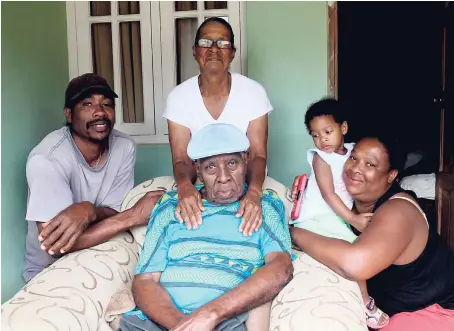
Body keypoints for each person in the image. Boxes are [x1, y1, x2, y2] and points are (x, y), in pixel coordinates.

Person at [121, 123, 293, 331]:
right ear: (198, 170)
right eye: (211, 167)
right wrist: (184, 326)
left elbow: (280, 268)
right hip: (160, 322)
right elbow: (145, 281)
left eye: (232, 163)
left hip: (226, 321)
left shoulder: (264, 204)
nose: (223, 177)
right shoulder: (170, 205)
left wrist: (210, 315)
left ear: (246, 161)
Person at [290, 135, 454, 331]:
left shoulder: (400, 211)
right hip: (397, 312)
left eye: (370, 164)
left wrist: (294, 233)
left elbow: (355, 264)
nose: (356, 168)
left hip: (437, 311)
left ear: (391, 176)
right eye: (353, 158)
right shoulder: (345, 205)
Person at [23, 73, 164, 281]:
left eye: (107, 104)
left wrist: (88, 211)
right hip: (49, 272)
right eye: (87, 104)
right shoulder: (47, 160)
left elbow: (114, 210)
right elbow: (57, 245)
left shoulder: (124, 147)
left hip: (96, 255)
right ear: (69, 114)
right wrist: (133, 216)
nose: (100, 112)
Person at [163, 17, 272, 236]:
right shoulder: (179, 97)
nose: (214, 49)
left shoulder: (253, 92)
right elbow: (181, 159)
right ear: (195, 51)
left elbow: (258, 155)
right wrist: (186, 189)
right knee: (178, 225)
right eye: (206, 43)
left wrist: (252, 192)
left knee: (262, 227)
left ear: (232, 52)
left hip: (247, 184)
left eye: (222, 43)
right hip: (203, 185)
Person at [289, 98, 388, 328]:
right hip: (317, 215)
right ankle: (366, 304)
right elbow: (328, 195)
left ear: (343, 128)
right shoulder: (320, 157)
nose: (322, 139)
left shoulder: (354, 151)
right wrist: (353, 218)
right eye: (315, 135)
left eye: (327, 131)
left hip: (335, 217)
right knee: (355, 251)